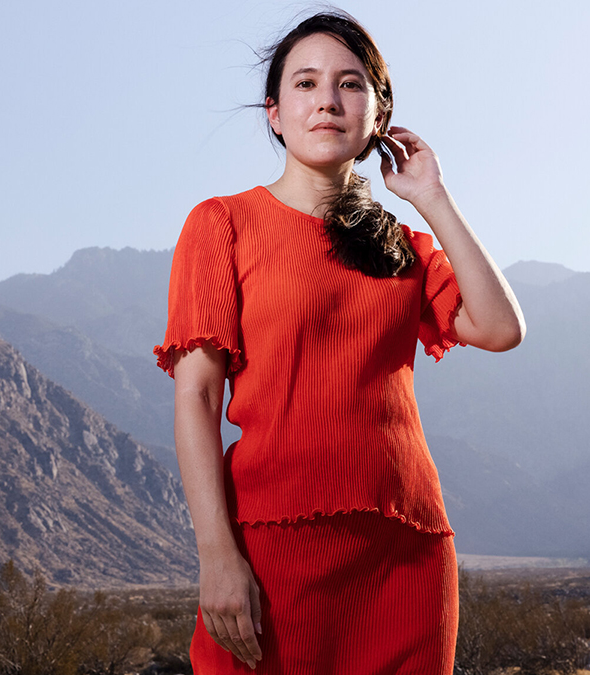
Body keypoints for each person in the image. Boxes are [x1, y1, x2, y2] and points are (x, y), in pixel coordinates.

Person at [153, 10, 524, 674]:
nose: (327, 100)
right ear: (274, 112)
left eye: (350, 84)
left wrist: (432, 197)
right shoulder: (222, 226)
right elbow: (198, 397)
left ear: (378, 115)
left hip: (405, 555)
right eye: (305, 83)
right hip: (271, 552)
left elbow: (500, 327)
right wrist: (216, 555)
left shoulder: (402, 247)